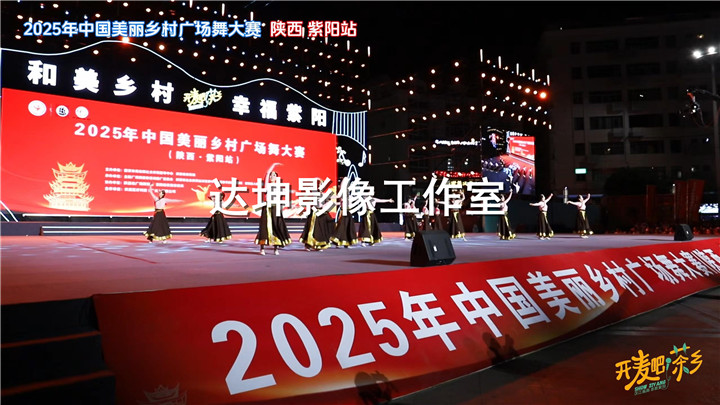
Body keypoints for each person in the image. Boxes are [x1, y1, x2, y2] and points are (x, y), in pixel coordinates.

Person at [254, 164, 292, 255]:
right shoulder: (267, 185)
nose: (272, 176)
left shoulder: (279, 187)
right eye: (271, 175)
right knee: (264, 228)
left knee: (276, 226)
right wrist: (274, 165)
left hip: (276, 208)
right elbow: (267, 174)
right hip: (267, 207)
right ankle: (262, 248)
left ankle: (276, 248)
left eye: (274, 175)